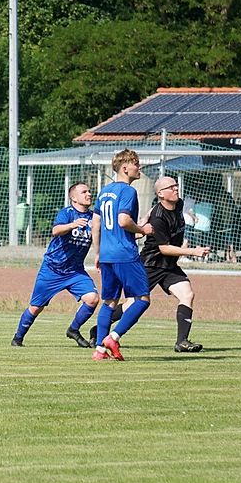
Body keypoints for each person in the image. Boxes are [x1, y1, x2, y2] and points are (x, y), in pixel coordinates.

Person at [92, 176, 209, 352]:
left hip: (169, 265)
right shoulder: (159, 218)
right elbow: (164, 248)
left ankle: (182, 342)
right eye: (171, 187)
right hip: (151, 264)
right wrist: (193, 251)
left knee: (187, 294)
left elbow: (156, 209)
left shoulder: (178, 204)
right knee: (133, 303)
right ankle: (100, 331)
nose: (176, 189)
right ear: (161, 193)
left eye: (176, 185)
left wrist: (144, 218)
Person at [11, 182, 99, 348]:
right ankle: (18, 338)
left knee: (92, 299)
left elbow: (104, 234)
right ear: (73, 197)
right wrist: (72, 225)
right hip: (52, 269)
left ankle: (73, 330)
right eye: (84, 192)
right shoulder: (67, 213)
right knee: (36, 307)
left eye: (89, 191)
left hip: (75, 271)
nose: (89, 194)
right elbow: (56, 230)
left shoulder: (94, 217)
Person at [90, 149, 153, 361]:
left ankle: (99, 350)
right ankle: (113, 337)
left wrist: (97, 252)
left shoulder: (104, 191)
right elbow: (123, 221)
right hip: (124, 254)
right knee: (142, 299)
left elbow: (96, 223)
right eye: (136, 163)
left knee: (109, 302)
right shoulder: (128, 191)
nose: (139, 167)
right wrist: (143, 229)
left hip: (107, 255)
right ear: (125, 168)